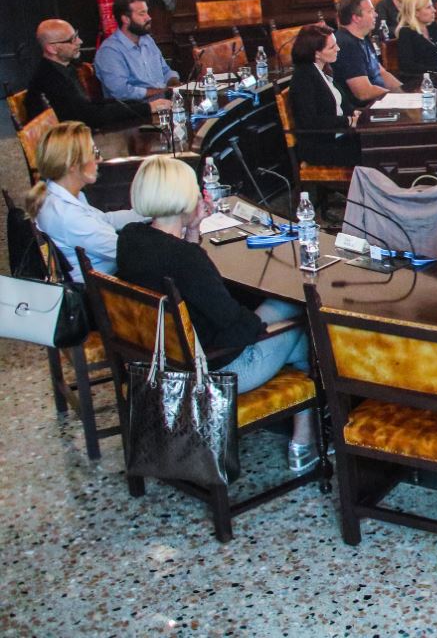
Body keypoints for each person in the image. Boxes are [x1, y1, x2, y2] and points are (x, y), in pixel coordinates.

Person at [115, 156, 319, 471]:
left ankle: (298, 429)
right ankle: (305, 438)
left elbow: (188, 275)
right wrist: (261, 322)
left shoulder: (131, 239)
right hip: (214, 371)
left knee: (276, 317)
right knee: (299, 318)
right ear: (183, 197)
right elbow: (236, 323)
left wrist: (193, 229)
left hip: (165, 361)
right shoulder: (186, 260)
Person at [25, 121, 144, 283]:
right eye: (94, 153)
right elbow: (130, 253)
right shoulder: (69, 216)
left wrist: (152, 212)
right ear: (72, 165)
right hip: (106, 289)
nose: (99, 159)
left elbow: (105, 220)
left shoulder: (58, 195)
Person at [26, 19, 170, 126]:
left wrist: (138, 105)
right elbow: (90, 116)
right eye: (72, 40)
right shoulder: (49, 79)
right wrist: (148, 108)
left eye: (76, 35)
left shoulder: (65, 68)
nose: (80, 41)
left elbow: (90, 105)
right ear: (51, 48)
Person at [288, 23, 361, 168]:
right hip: (321, 146)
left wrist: (355, 112)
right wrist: (348, 121)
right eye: (332, 47)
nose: (338, 49)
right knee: (374, 150)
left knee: (378, 142)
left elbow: (341, 104)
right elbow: (310, 121)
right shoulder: (303, 77)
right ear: (316, 53)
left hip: (340, 136)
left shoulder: (324, 69)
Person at [92, 0, 180, 102]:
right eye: (142, 14)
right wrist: (161, 91)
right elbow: (121, 92)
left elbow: (165, 70)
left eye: (147, 12)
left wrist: (174, 83)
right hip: (137, 109)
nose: (148, 17)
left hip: (164, 101)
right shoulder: (109, 51)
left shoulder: (147, 40)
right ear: (126, 19)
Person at [333, 0, 402, 107]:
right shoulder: (346, 44)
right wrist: (395, 96)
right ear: (356, 18)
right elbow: (363, 93)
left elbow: (382, 73)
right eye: (370, 11)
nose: (376, 15)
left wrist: (403, 92)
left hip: (381, 101)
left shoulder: (363, 37)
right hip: (365, 109)